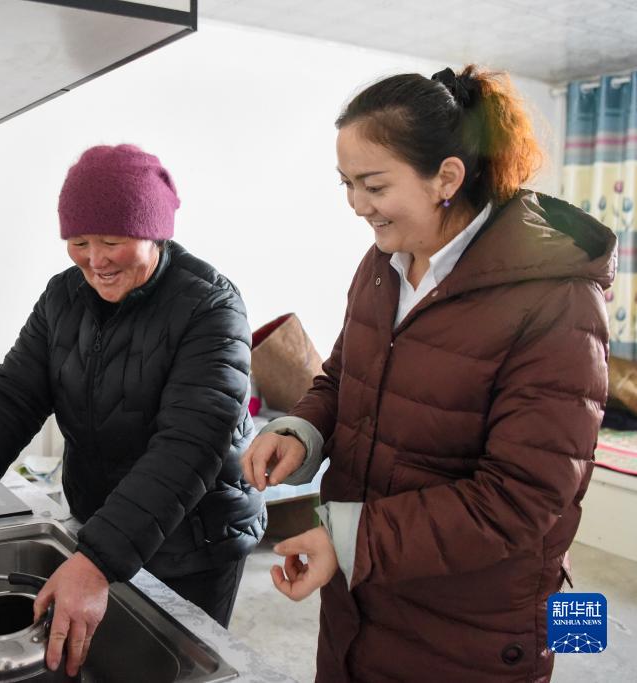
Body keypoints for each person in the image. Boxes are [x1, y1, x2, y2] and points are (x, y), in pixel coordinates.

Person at [242, 65, 615, 682]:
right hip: (360, 599)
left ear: (447, 177)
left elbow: (520, 498)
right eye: (346, 184)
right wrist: (301, 431)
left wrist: (349, 538)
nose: (356, 206)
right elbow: (344, 374)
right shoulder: (383, 264)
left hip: (470, 624)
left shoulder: (556, 301)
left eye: (373, 185)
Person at [0, 144, 266, 676]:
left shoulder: (210, 307)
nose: (95, 260)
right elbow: (13, 392)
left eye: (112, 242)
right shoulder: (63, 297)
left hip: (193, 542)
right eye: (78, 242)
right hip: (102, 527)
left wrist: (98, 558)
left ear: (155, 233)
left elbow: (189, 446)